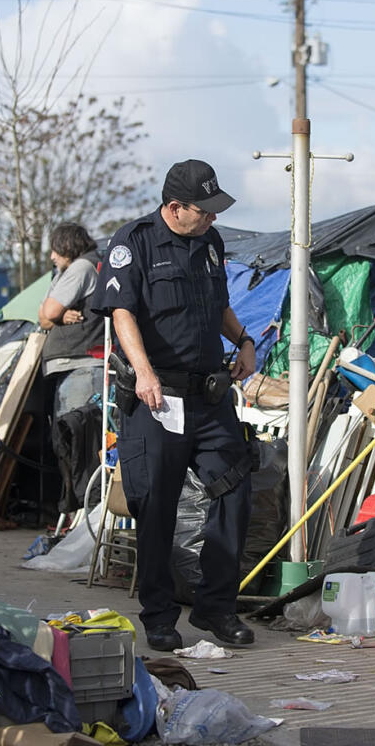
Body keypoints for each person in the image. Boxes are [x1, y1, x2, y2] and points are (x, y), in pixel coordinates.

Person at [90, 158, 257, 651]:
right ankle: (160, 616)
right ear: (174, 207)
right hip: (157, 398)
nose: (211, 219)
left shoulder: (210, 242)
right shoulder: (133, 242)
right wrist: (142, 370)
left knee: (234, 491)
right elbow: (122, 313)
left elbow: (219, 303)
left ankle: (216, 609)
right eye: (202, 211)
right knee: (157, 508)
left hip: (209, 397)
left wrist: (245, 340)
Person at [38, 223, 103, 417]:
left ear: (66, 246)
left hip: (81, 369)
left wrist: (56, 313)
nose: (52, 257)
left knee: (78, 435)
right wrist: (61, 315)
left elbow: (48, 311)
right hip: (75, 369)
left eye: (55, 249)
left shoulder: (81, 268)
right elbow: (44, 318)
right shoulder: (66, 272)